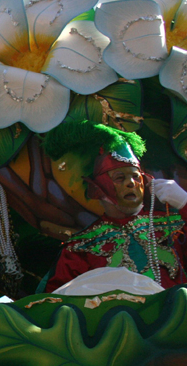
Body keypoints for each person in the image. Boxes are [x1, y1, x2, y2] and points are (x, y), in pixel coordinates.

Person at [43, 121, 187, 293]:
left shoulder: (175, 227)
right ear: (95, 188)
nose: (131, 183)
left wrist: (186, 204)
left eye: (136, 176)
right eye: (120, 178)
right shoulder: (79, 248)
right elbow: (58, 302)